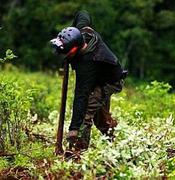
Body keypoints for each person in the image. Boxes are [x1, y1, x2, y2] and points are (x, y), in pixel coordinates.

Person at [50, 10, 127, 152]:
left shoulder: (88, 63)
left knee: (86, 111)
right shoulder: (82, 33)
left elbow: (81, 95)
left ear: (75, 48)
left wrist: (73, 128)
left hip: (110, 82)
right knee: (99, 115)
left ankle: (78, 151)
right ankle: (116, 144)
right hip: (100, 75)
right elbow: (83, 13)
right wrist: (73, 28)